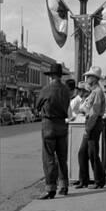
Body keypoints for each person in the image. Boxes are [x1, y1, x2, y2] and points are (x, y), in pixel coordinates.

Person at [35, 63, 71, 199]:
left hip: (49, 125)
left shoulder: (47, 89)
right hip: (62, 125)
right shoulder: (66, 89)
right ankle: (64, 185)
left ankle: (50, 188)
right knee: (62, 158)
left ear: (51, 76)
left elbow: (37, 105)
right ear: (60, 76)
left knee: (49, 158)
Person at [76, 66, 106, 189]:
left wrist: (88, 129)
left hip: (93, 123)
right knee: (82, 152)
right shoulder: (94, 92)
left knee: (92, 153)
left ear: (94, 78)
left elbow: (94, 112)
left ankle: (99, 180)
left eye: (89, 76)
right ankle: (84, 180)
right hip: (91, 122)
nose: (87, 78)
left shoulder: (97, 92)